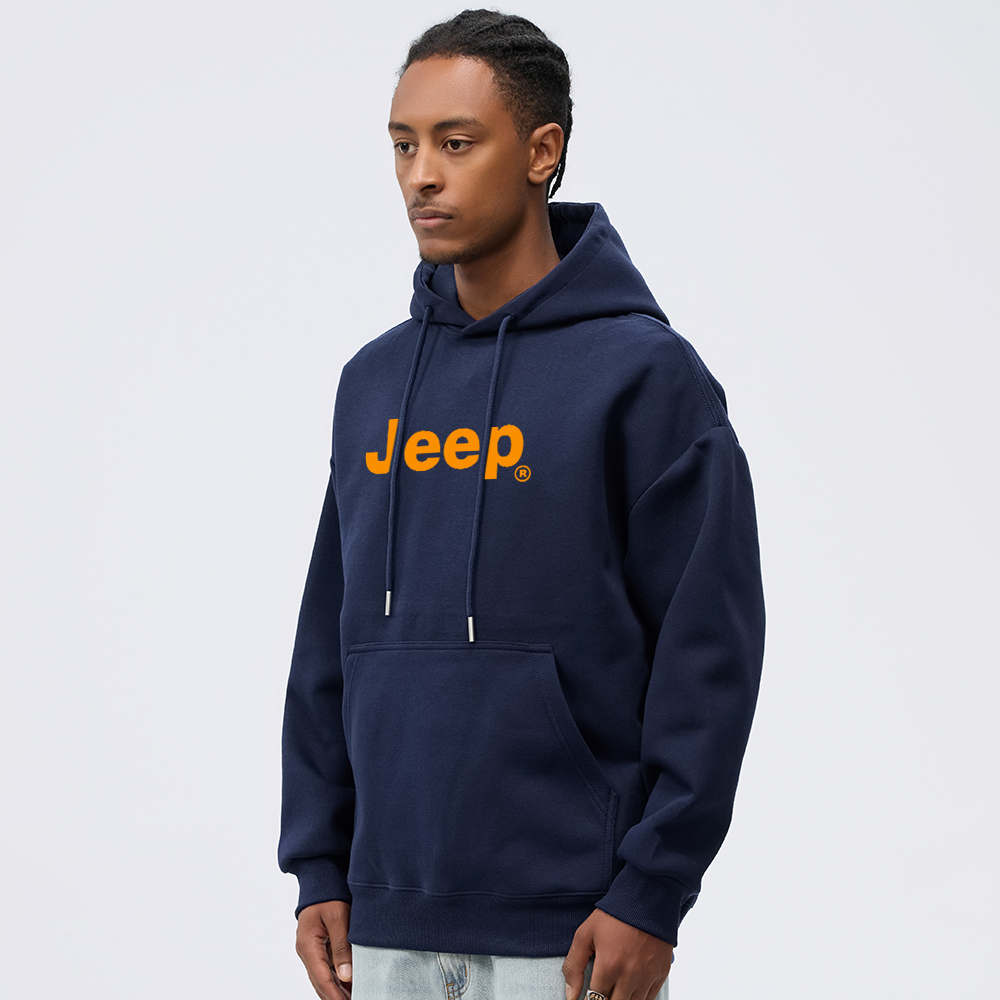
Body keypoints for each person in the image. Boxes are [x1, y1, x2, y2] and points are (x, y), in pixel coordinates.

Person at [278, 9, 765, 1000]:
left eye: (456, 143)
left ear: (542, 151)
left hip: (573, 930)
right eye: (404, 145)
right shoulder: (373, 384)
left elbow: (708, 655)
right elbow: (328, 641)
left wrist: (652, 892)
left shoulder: (646, 379)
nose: (421, 175)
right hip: (382, 920)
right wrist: (318, 865)